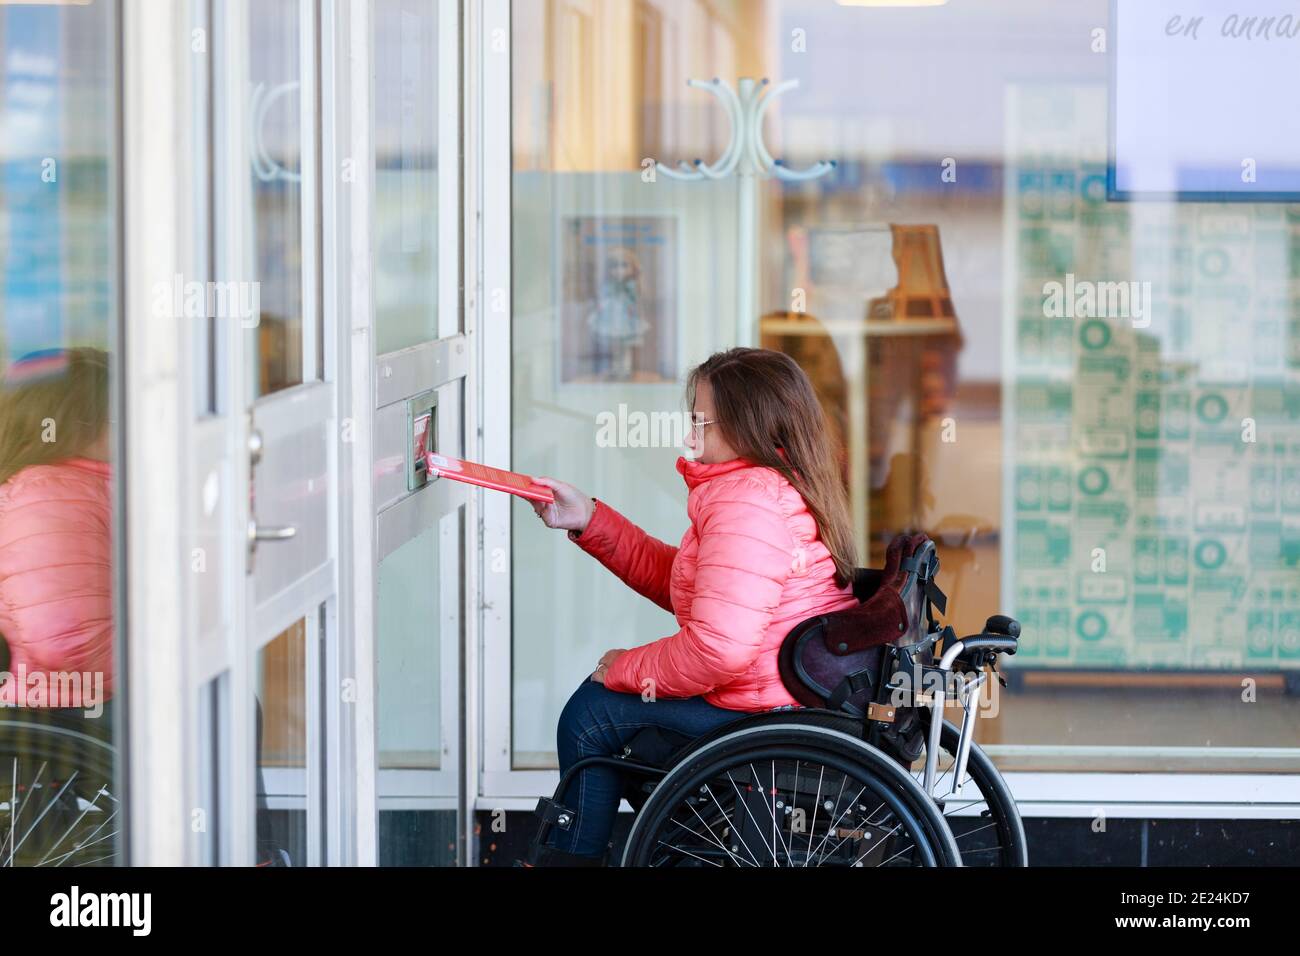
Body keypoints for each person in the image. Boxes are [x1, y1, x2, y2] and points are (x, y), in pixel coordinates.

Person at [521, 346, 861, 866]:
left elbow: (719, 651)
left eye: (702, 422)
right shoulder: (777, 483)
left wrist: (625, 669)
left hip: (764, 708)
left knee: (590, 717)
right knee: (607, 710)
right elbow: (692, 585)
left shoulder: (747, 501)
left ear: (748, 426)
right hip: (779, 692)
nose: (689, 436)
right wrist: (588, 519)